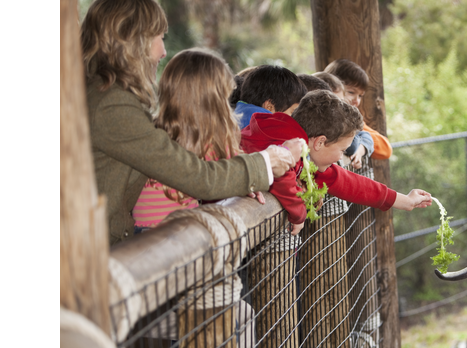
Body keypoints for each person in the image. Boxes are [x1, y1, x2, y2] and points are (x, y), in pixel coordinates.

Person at [81, 0, 301, 245]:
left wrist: (240, 179)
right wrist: (266, 162)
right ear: (131, 39)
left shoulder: (106, 97)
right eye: (158, 36)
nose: (163, 51)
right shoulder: (112, 104)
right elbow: (197, 176)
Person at [240, 90, 432, 235]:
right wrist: (298, 213)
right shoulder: (287, 143)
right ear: (320, 142)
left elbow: (350, 183)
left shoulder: (306, 151)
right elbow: (282, 175)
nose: (341, 158)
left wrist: (404, 200)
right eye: (341, 150)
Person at [133, 48, 267, 228]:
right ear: (214, 100)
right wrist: (251, 180)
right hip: (177, 234)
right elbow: (239, 168)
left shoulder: (154, 132)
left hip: (139, 233)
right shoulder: (211, 140)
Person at [324, 59, 393, 160]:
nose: (357, 101)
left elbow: (386, 149)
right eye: (351, 92)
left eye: (360, 96)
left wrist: (362, 144)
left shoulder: (351, 121)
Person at [313, 71, 373, 169]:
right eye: (351, 92)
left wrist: (360, 151)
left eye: (340, 102)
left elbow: (365, 135)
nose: (337, 107)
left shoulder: (344, 123)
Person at [234, 65, 307, 129]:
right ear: (270, 107)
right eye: (293, 112)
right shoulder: (265, 130)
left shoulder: (236, 117)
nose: (296, 118)